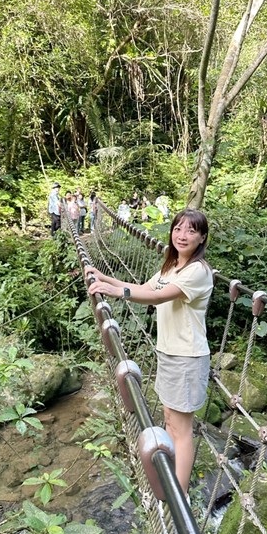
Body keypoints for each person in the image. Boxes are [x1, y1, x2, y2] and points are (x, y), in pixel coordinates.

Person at [84, 209, 213, 495]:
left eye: (191, 231)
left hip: (187, 357)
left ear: (202, 237)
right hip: (168, 352)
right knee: (169, 419)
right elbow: (144, 288)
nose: (182, 235)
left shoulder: (198, 271)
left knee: (181, 431)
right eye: (178, 228)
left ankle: (178, 497)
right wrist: (107, 278)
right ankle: (172, 484)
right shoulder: (172, 266)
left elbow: (155, 298)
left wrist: (116, 292)